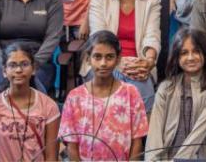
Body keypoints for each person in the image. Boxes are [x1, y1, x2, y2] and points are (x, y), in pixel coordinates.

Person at [59, 30, 149, 161]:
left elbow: (137, 141)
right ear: (88, 59)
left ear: (118, 59)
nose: (103, 63)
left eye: (109, 57)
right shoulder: (75, 97)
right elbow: (72, 145)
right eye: (97, 56)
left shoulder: (131, 93)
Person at [144, 28, 206, 161]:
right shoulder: (166, 88)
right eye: (184, 53)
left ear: (205, 54)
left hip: (196, 158)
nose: (190, 57)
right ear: (176, 57)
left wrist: (177, 161)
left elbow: (197, 136)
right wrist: (152, 159)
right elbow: (155, 132)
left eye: (196, 51)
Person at [0, 42, 61, 162]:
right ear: (4, 71)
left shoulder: (49, 106)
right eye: (12, 65)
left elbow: (51, 157)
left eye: (24, 64)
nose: (19, 70)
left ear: (34, 69)